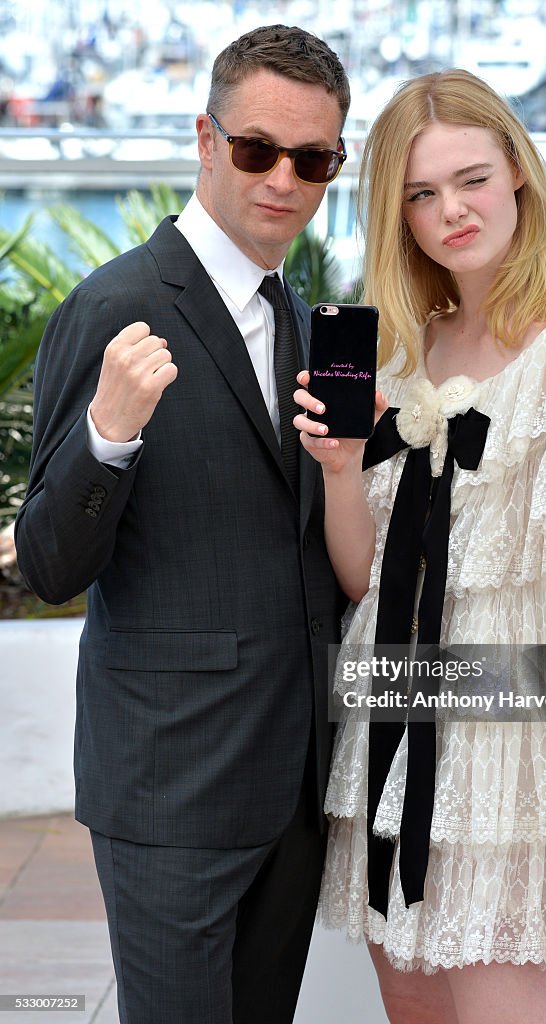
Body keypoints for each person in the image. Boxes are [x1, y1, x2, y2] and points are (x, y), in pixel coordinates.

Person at [293, 69, 546, 1024]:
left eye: (471, 179)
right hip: (398, 717)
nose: (452, 213)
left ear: (518, 171)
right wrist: (340, 467)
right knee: (415, 1008)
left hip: (514, 737)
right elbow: (364, 578)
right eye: (421, 195)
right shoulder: (400, 349)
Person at [15, 25, 349, 1024]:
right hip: (172, 788)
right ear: (205, 140)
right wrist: (107, 436)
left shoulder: (303, 315)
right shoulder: (114, 304)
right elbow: (47, 562)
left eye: (314, 159)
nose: (283, 179)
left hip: (291, 788)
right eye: (256, 149)